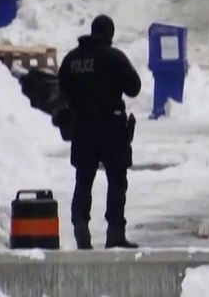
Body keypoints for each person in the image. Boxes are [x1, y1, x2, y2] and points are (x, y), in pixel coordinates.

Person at [58, 15, 141, 249]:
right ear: (110, 34)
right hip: (111, 127)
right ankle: (115, 233)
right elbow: (134, 88)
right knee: (116, 180)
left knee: (83, 179)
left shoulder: (72, 59)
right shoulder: (114, 58)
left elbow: (62, 88)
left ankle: (81, 226)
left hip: (82, 127)